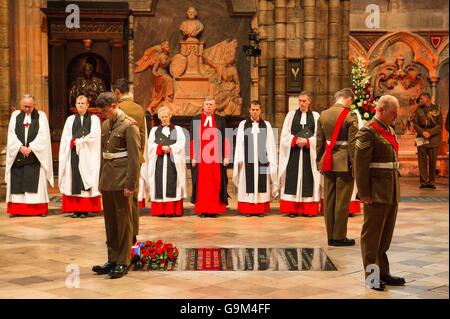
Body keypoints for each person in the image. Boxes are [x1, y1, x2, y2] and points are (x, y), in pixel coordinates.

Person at [355, 94, 405, 291]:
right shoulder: (368, 131)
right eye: (393, 113)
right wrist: (364, 193)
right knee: (372, 238)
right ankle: (372, 277)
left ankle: (383, 272)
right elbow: (360, 166)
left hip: (390, 190)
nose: (396, 117)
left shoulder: (388, 129)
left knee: (384, 237)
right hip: (375, 192)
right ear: (382, 110)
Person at [92, 92, 140, 279]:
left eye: (104, 111)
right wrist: (100, 181)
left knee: (123, 223)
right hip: (108, 180)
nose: (102, 114)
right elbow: (103, 155)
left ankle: (123, 261)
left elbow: (134, 159)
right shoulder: (105, 124)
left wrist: (131, 184)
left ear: (113, 106)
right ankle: (112, 259)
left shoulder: (129, 126)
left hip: (122, 181)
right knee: (110, 223)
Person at [316, 88, 359, 246]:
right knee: (342, 201)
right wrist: (355, 166)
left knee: (329, 200)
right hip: (344, 163)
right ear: (348, 99)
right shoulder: (350, 115)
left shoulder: (323, 114)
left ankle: (330, 236)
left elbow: (319, 142)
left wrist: (318, 161)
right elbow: (353, 144)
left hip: (328, 161)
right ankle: (339, 236)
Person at [5, 95, 53, 217]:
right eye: (24, 106)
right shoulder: (15, 115)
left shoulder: (41, 116)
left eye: (29, 107)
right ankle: (17, 210)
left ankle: (38, 209)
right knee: (17, 180)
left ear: (34, 105)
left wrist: (31, 148)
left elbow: (43, 135)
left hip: (35, 155)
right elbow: (11, 134)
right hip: (18, 154)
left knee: (35, 179)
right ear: (21, 105)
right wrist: (20, 147)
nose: (26, 109)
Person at [113, 78, 146, 243]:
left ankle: (123, 234)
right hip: (136, 160)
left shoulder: (117, 109)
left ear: (117, 92)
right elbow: (143, 135)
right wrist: (139, 156)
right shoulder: (139, 109)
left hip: (119, 162)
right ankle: (133, 233)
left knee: (120, 199)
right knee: (133, 198)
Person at [58, 95, 102, 218]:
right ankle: (76, 209)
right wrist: (71, 142)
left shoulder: (94, 119)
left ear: (88, 105)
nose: (80, 105)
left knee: (86, 178)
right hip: (73, 153)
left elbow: (94, 136)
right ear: (75, 105)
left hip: (88, 154)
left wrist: (80, 141)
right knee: (74, 178)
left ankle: (85, 209)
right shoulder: (70, 120)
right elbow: (65, 137)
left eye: (83, 103)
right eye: (78, 103)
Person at [232, 100, 278, 216]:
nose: (255, 112)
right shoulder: (243, 124)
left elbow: (270, 143)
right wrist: (240, 158)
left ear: (260, 110)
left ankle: (259, 209)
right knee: (247, 183)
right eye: (253, 109)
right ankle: (248, 209)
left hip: (262, 160)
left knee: (261, 184)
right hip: (247, 160)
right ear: (249, 110)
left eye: (257, 109)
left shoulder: (266, 125)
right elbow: (240, 143)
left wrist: (270, 158)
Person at [279, 92, 321, 217]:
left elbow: (319, 135)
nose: (301, 103)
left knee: (309, 177)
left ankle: (308, 210)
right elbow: (284, 134)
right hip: (294, 152)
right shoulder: (291, 115)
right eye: (300, 101)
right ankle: (292, 209)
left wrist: (307, 141)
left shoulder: (315, 116)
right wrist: (295, 141)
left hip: (309, 153)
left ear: (309, 102)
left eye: (304, 101)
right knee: (292, 178)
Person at [190, 96, 230, 217]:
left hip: (216, 158)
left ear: (214, 106)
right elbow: (192, 140)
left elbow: (226, 138)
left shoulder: (220, 120)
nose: (208, 106)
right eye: (207, 104)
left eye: (211, 104)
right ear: (203, 105)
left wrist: (226, 156)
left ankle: (214, 210)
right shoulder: (196, 119)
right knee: (202, 185)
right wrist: (193, 156)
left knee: (215, 183)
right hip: (201, 158)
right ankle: (203, 209)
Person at [147, 106, 187, 216]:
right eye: (162, 117)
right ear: (159, 118)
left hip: (172, 160)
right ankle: (160, 211)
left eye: (166, 116)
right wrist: (160, 148)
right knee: (159, 182)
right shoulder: (154, 130)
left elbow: (181, 144)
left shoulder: (177, 129)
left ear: (170, 116)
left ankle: (172, 211)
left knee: (173, 182)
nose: (164, 119)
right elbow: (150, 145)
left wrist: (170, 148)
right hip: (158, 160)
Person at [412, 92, 443, 189]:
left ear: (428, 99)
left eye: (422, 99)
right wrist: (422, 132)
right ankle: (423, 182)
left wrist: (430, 133)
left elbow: (439, 124)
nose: (420, 101)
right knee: (422, 161)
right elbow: (415, 124)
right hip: (422, 138)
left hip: (433, 138)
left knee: (432, 161)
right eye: (420, 99)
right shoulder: (418, 110)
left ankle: (431, 181)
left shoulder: (436, 109)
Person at [135, 41, 174, 112]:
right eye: (167, 47)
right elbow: (154, 70)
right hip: (160, 75)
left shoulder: (169, 57)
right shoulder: (159, 56)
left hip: (166, 74)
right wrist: (158, 75)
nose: (168, 48)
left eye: (168, 47)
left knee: (170, 79)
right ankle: (167, 97)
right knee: (168, 81)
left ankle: (168, 97)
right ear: (163, 48)